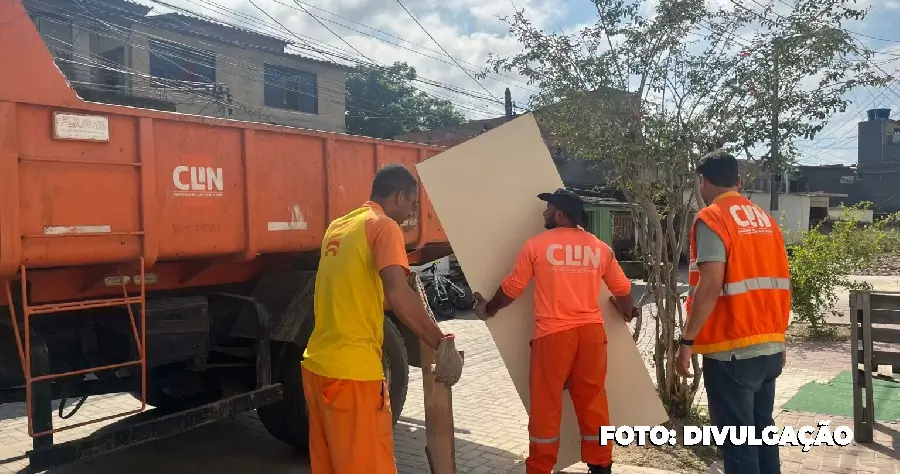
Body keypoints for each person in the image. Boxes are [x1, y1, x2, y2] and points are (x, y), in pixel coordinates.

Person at [300, 163, 464, 474]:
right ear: (400, 196)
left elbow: (363, 290)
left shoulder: (338, 227)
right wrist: (441, 343)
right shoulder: (383, 225)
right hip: (353, 375)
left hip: (317, 368)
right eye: (412, 204)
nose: (411, 214)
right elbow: (398, 294)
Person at [473, 188, 638, 474]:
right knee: (593, 402)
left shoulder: (537, 246)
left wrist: (489, 309)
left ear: (560, 213)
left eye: (548, 208)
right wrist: (626, 311)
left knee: (546, 407)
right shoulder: (600, 248)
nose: (543, 212)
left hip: (553, 336)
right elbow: (623, 289)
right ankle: (601, 466)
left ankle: (540, 468)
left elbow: (512, 288)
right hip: (591, 336)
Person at [675, 151, 791, 474]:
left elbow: (710, 284)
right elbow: (781, 283)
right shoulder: (766, 221)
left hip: (732, 352)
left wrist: (686, 342)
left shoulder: (712, 218)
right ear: (739, 182)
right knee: (763, 435)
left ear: (704, 182)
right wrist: (780, 339)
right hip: (768, 348)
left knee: (738, 445)